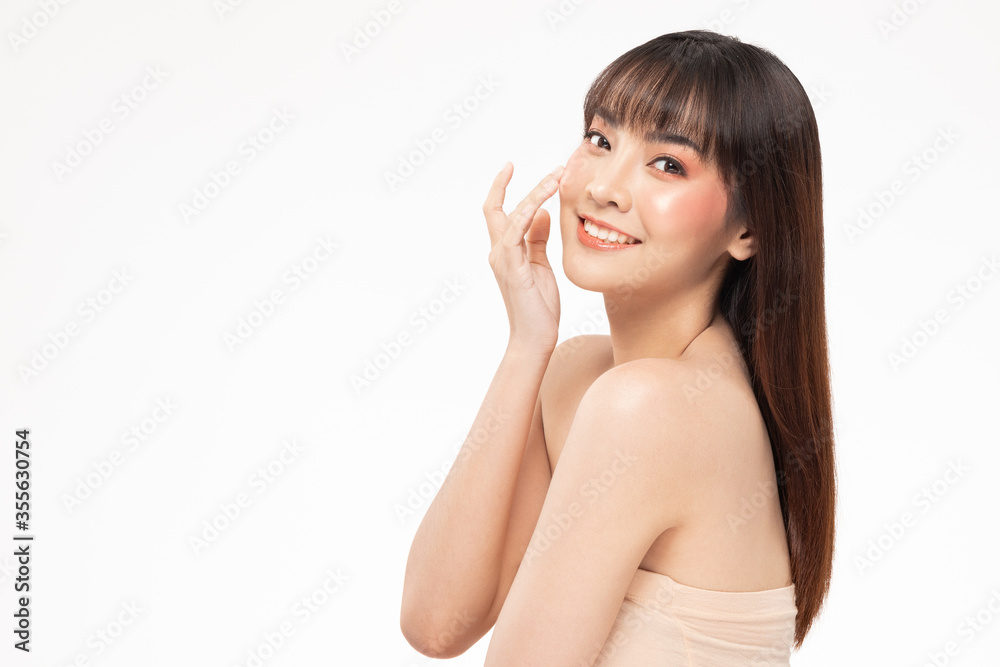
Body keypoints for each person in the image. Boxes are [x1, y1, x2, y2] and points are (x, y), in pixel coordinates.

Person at [400, 29, 836, 665]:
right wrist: (528, 344)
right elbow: (437, 624)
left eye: (669, 164)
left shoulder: (651, 406)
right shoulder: (582, 374)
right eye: (601, 140)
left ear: (748, 229)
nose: (604, 187)